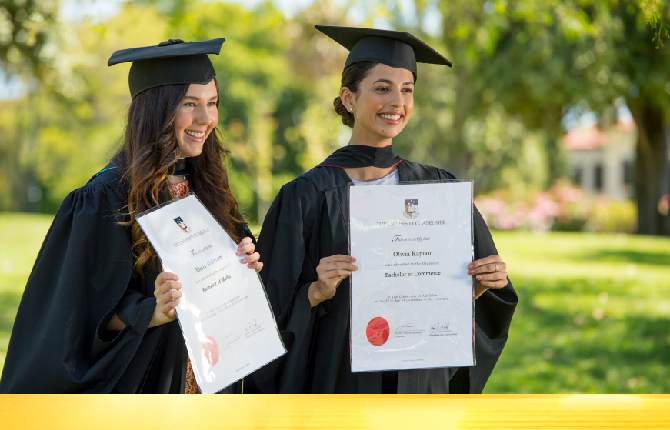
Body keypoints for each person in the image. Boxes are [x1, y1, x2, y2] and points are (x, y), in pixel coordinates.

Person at [246, 26, 518, 394]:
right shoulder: (305, 197)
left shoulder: (440, 190)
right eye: (382, 88)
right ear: (348, 98)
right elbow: (263, 318)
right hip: (340, 387)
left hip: (420, 385)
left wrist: (478, 286)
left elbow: (479, 298)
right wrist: (314, 292)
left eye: (407, 90)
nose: (398, 102)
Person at [0, 38, 262, 393]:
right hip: (146, 391)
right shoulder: (105, 199)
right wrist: (150, 311)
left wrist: (244, 260)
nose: (207, 118)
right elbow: (76, 314)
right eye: (190, 104)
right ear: (157, 110)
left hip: (212, 388)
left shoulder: (207, 191)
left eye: (212, 103)